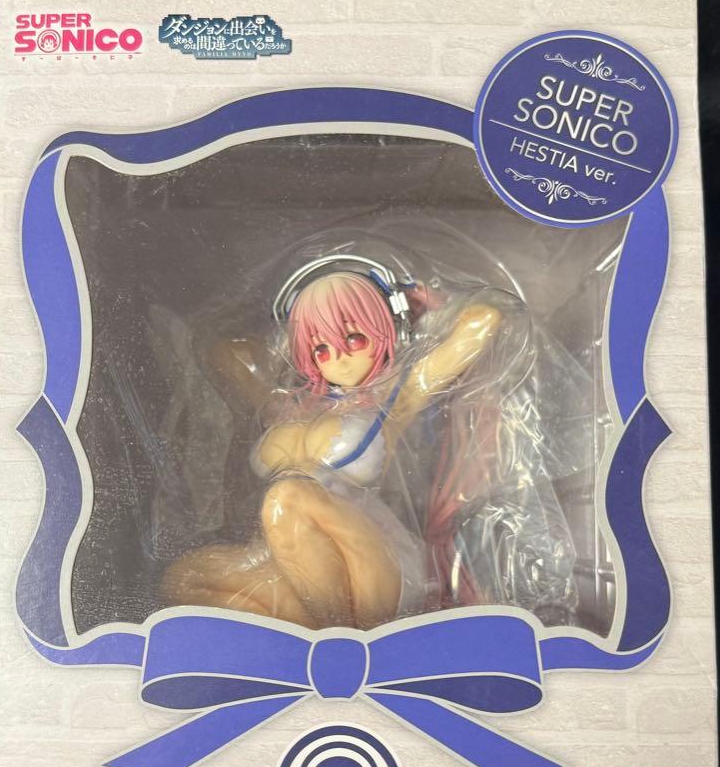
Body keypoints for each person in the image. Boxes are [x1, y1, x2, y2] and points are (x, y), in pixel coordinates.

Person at [161, 258, 501, 630]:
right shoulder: (285, 406)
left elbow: (484, 321)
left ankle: (334, 633)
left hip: (374, 563)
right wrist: (286, 331)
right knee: (184, 578)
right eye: (321, 348)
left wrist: (414, 300)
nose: (339, 358)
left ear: (382, 329)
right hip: (299, 569)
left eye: (354, 339)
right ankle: (311, 632)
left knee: (287, 496)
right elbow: (223, 352)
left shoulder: (393, 396)